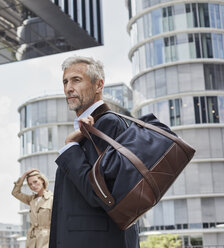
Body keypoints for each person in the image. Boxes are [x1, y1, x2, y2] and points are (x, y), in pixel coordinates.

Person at [49, 56, 140, 248]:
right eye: (65, 82)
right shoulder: (91, 128)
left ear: (99, 85)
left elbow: (101, 193)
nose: (68, 88)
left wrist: (70, 146)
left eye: (76, 80)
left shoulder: (108, 124)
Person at [12, 168, 53, 248]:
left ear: (42, 180)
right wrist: (25, 174)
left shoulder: (52, 199)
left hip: (46, 240)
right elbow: (15, 192)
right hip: (32, 240)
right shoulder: (31, 200)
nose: (33, 186)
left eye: (35, 182)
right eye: (30, 184)